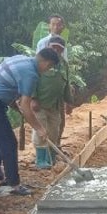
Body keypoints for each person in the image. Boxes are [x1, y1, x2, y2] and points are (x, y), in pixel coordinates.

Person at [0, 49, 58, 195]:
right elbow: (26, 104)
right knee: (9, 143)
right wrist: (39, 128)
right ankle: (14, 184)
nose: (47, 71)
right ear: (46, 63)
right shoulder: (31, 74)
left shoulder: (21, 59)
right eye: (49, 67)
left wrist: (15, 106)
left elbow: (7, 85)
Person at [30, 37, 74, 168]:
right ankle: (41, 160)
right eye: (53, 47)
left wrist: (69, 102)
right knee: (41, 131)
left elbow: (66, 85)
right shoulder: (39, 62)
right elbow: (31, 80)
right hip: (40, 104)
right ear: (48, 46)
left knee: (54, 131)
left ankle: (51, 158)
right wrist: (33, 98)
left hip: (56, 105)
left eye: (59, 48)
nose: (56, 50)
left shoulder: (64, 64)